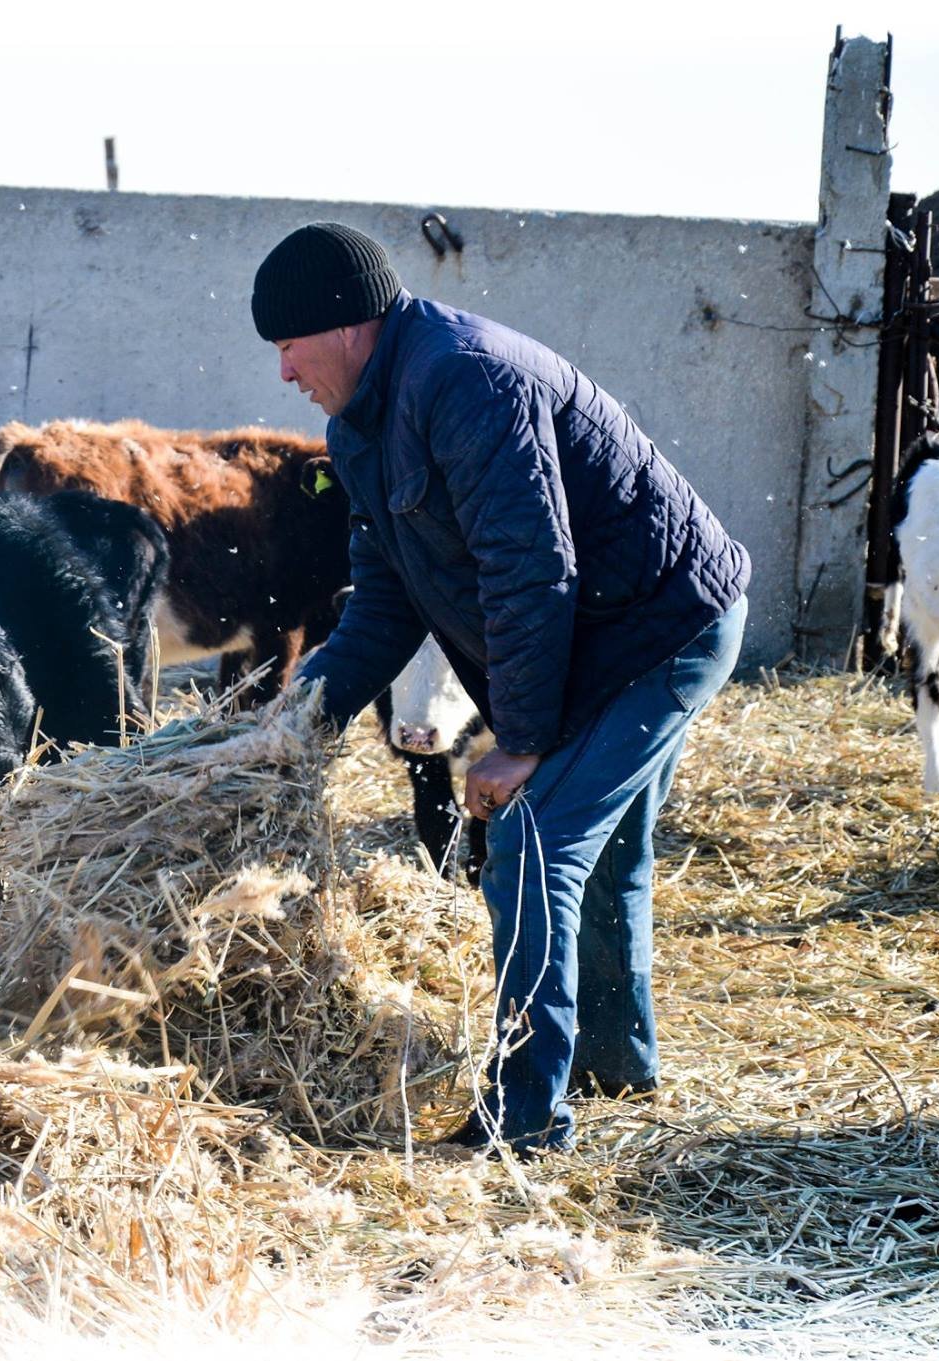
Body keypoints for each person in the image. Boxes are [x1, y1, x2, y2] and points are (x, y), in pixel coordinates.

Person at [252, 222, 750, 1152]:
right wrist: (295, 721)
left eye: (288, 346)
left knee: (530, 840)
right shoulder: (359, 430)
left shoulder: (465, 378)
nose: (283, 373)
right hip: (597, 639)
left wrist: (519, 737)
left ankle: (524, 1124)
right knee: (596, 853)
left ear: (347, 324)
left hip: (662, 627)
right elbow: (385, 601)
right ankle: (616, 1064)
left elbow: (530, 570)